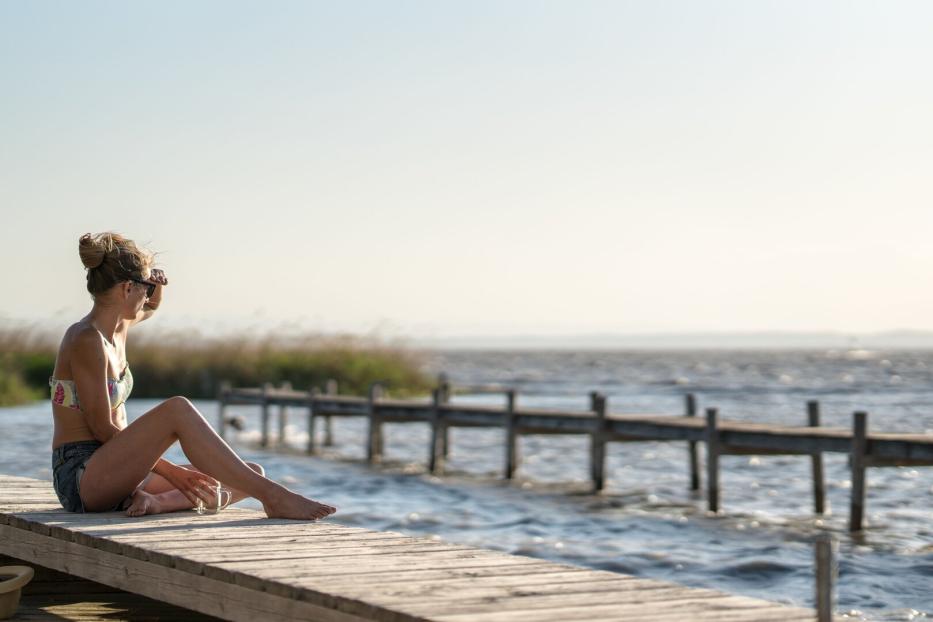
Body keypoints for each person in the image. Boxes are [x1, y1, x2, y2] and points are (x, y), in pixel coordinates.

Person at [50, 232, 337, 520]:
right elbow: (102, 429)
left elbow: (149, 308)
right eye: (143, 289)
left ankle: (155, 503)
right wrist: (174, 473)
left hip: (122, 474)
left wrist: (155, 287)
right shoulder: (86, 338)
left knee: (248, 474)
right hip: (83, 477)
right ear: (127, 288)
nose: (147, 296)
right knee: (177, 409)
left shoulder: (118, 330)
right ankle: (275, 497)